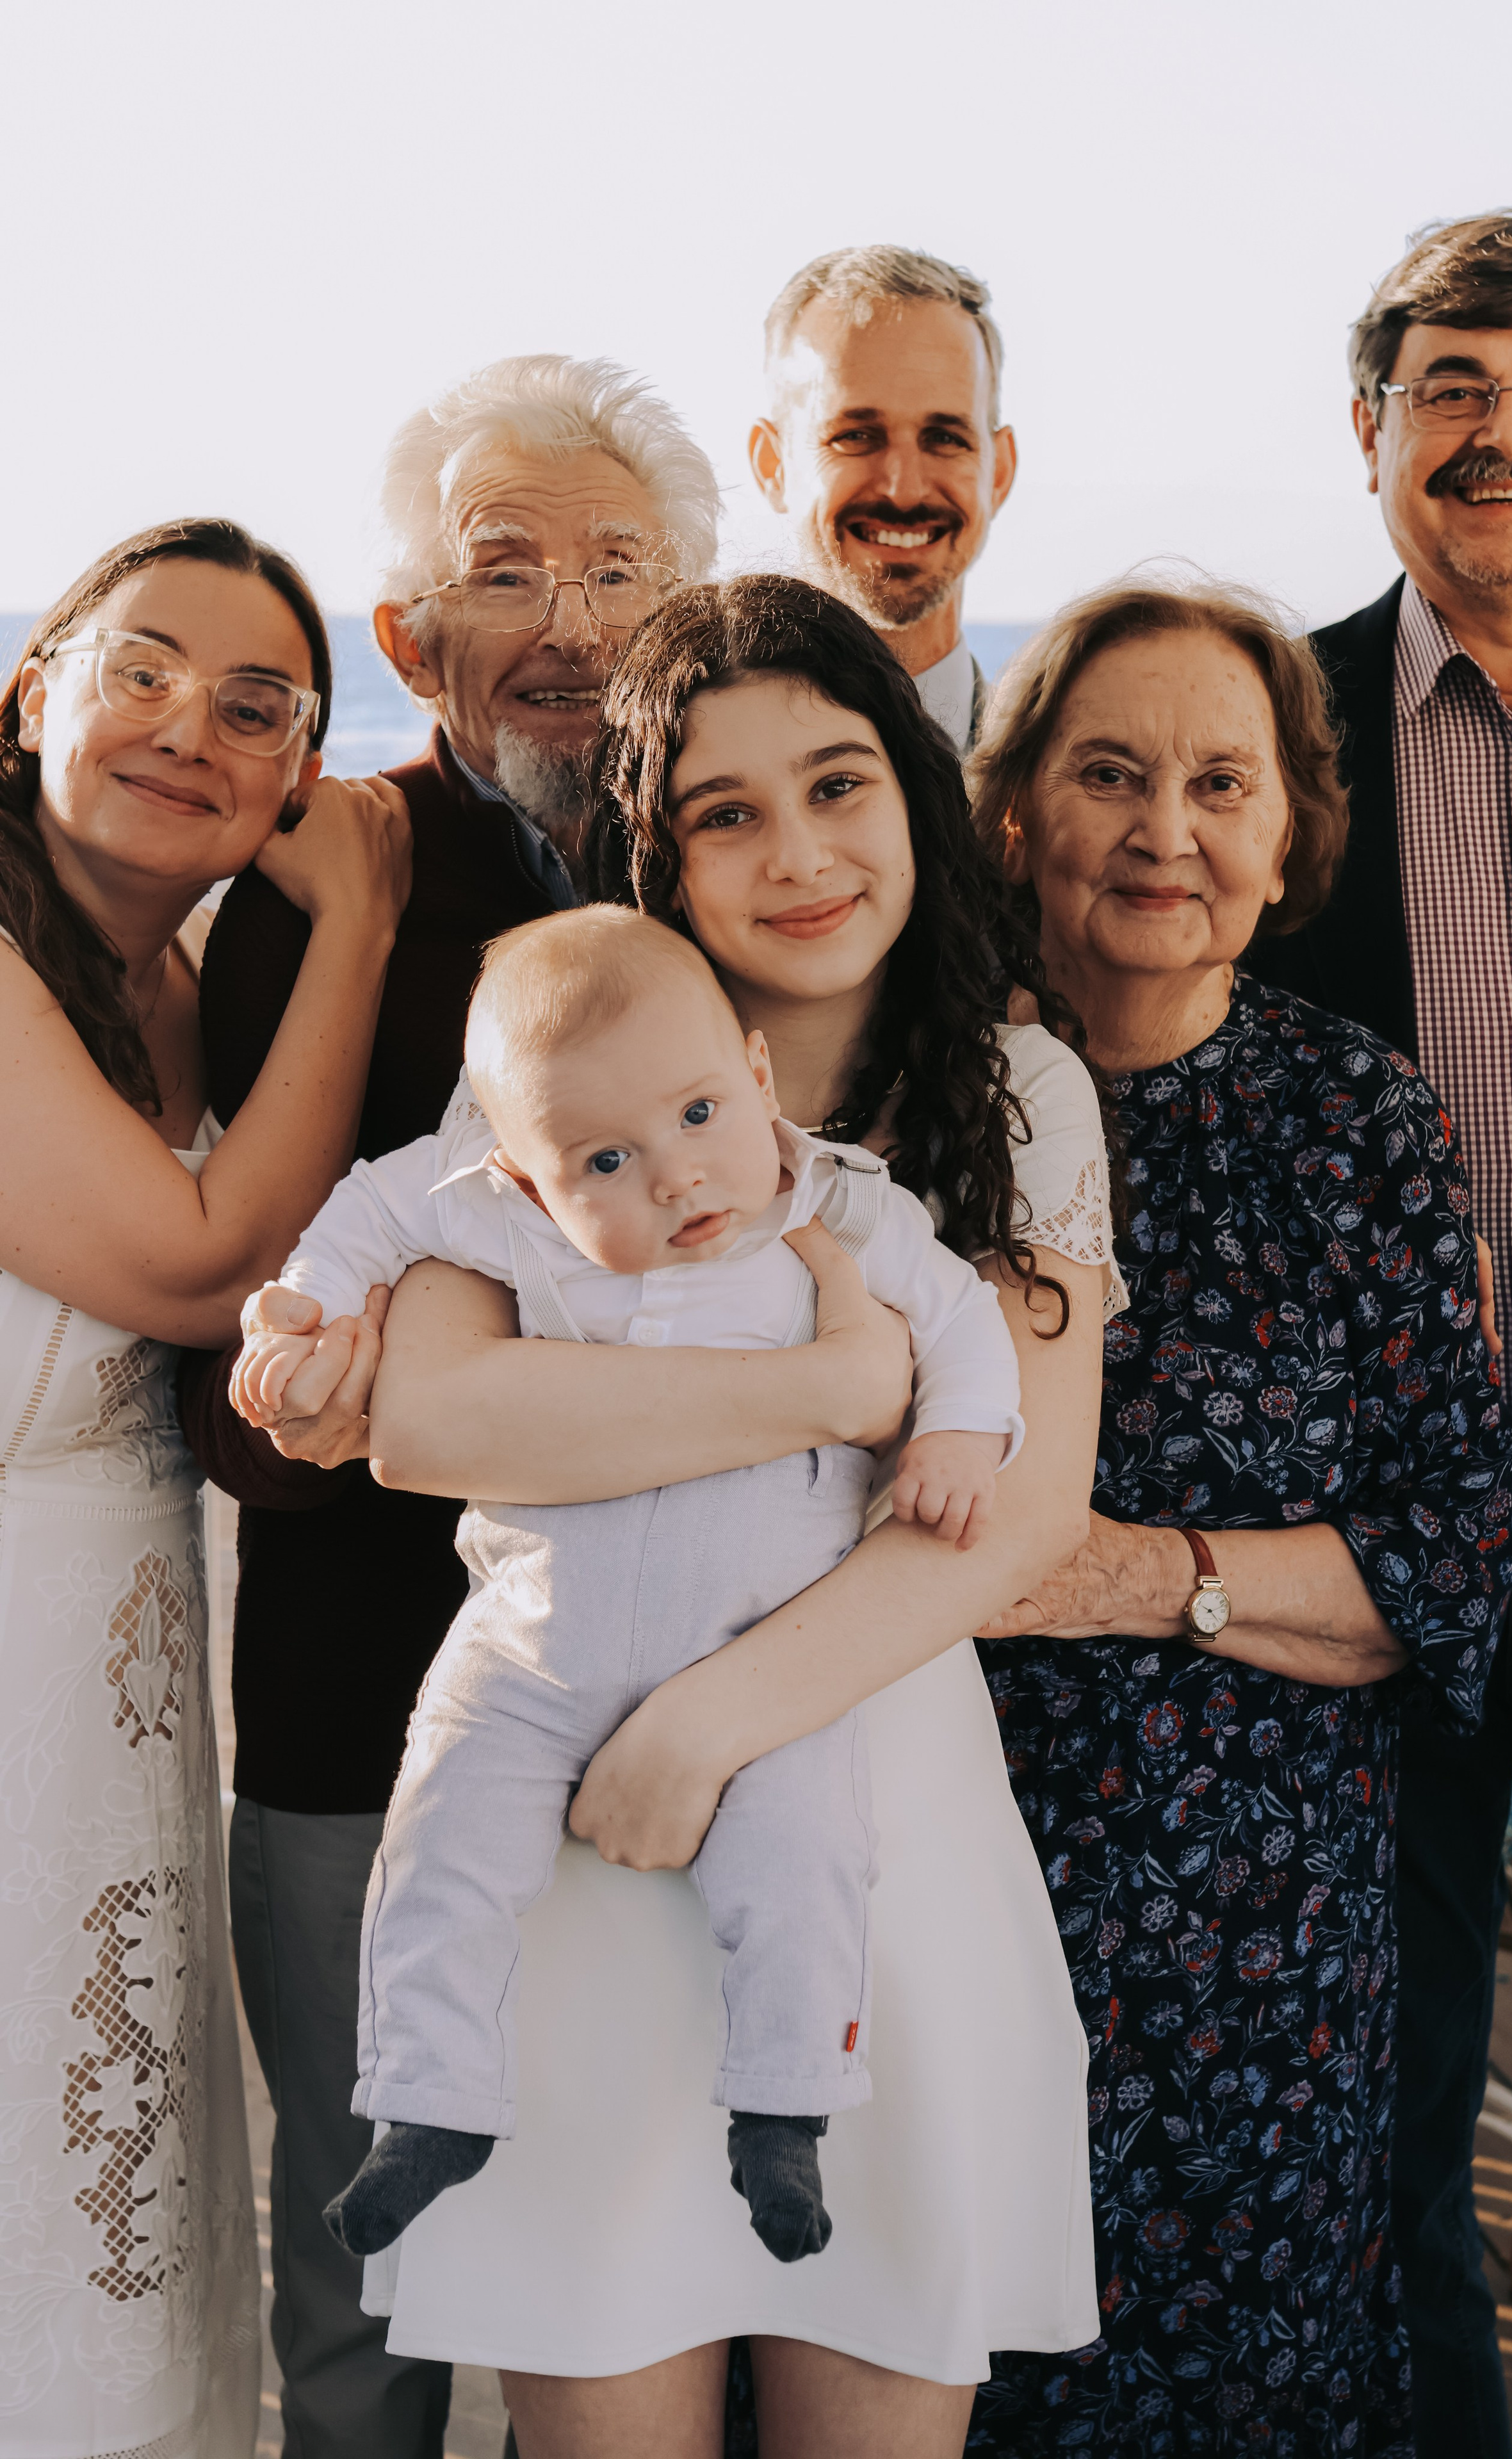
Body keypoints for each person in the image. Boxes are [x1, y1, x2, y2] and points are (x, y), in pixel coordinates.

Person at [247, 572, 1122, 2458]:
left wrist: (706, 1724)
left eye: (835, 783)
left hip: (872, 1837)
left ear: (909, 791)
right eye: (726, 811)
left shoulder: (1017, 1090)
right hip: (579, 1858)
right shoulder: (556, 1077)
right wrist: (832, 1385)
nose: (797, 851)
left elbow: (1017, 1504)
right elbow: (442, 1416)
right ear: (653, 851)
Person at [173, 356, 720, 2458]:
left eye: (618, 571)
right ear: (413, 640)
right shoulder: (330, 888)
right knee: (364, 2298)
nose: (572, 627)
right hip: (358, 1725)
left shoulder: (750, 868)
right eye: (509, 573)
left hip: (685, 1744)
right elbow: (243, 1370)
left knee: (655, 2277)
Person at [957, 578, 1512, 2453]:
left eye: (1221, 780)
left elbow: (1449, 1544)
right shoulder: (912, 1101)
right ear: (1015, 805)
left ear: (1291, 832)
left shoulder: (1358, 1116)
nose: (1163, 829)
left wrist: (1137, 1575)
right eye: (1107, 772)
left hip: (1257, 1937)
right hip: (928, 1884)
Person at [239, 903, 1023, 2264]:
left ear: (758, 1081)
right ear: (528, 1181)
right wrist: (300, 1311)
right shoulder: (505, 1223)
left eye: (701, 1114)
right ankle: (429, 2103)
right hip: (537, 1643)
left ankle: (783, 2113)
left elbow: (958, 1321)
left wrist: (957, 1431)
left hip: (760, 1649)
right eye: (606, 1157)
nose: (674, 1176)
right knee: (437, 1833)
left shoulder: (835, 1204)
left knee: (805, 1859)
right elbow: (369, 1206)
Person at [1251, 209, 1512, 2455]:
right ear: (1374, 430)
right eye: (1456, 389)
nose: (1511, 434)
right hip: (1364, 1559)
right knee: (1381, 2136)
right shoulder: (1263, 738)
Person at [0, 518, 410, 2459]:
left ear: (294, 775)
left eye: (257, 707)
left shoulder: (164, 986)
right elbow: (191, 1261)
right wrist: (363, 926)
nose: (189, 725)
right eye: (141, 666)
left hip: (120, 1697)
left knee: (121, 2193)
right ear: (34, 687)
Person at [751, 246, 1018, 754]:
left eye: (945, 439)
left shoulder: (1059, 793)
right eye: (856, 436)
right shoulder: (681, 773)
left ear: (999, 472)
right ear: (774, 465)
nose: (904, 489)